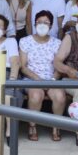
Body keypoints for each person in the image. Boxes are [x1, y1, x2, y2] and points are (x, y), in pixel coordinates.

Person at [19, 10, 64, 141]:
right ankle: (32, 126)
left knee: (60, 97)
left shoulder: (57, 43)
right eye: (39, 22)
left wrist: (53, 79)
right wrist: (37, 79)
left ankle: (57, 126)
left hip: (52, 80)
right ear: (34, 24)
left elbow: (59, 66)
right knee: (35, 95)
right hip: (32, 79)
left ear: (51, 26)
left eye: (46, 22)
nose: (42, 25)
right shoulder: (25, 41)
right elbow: (23, 66)